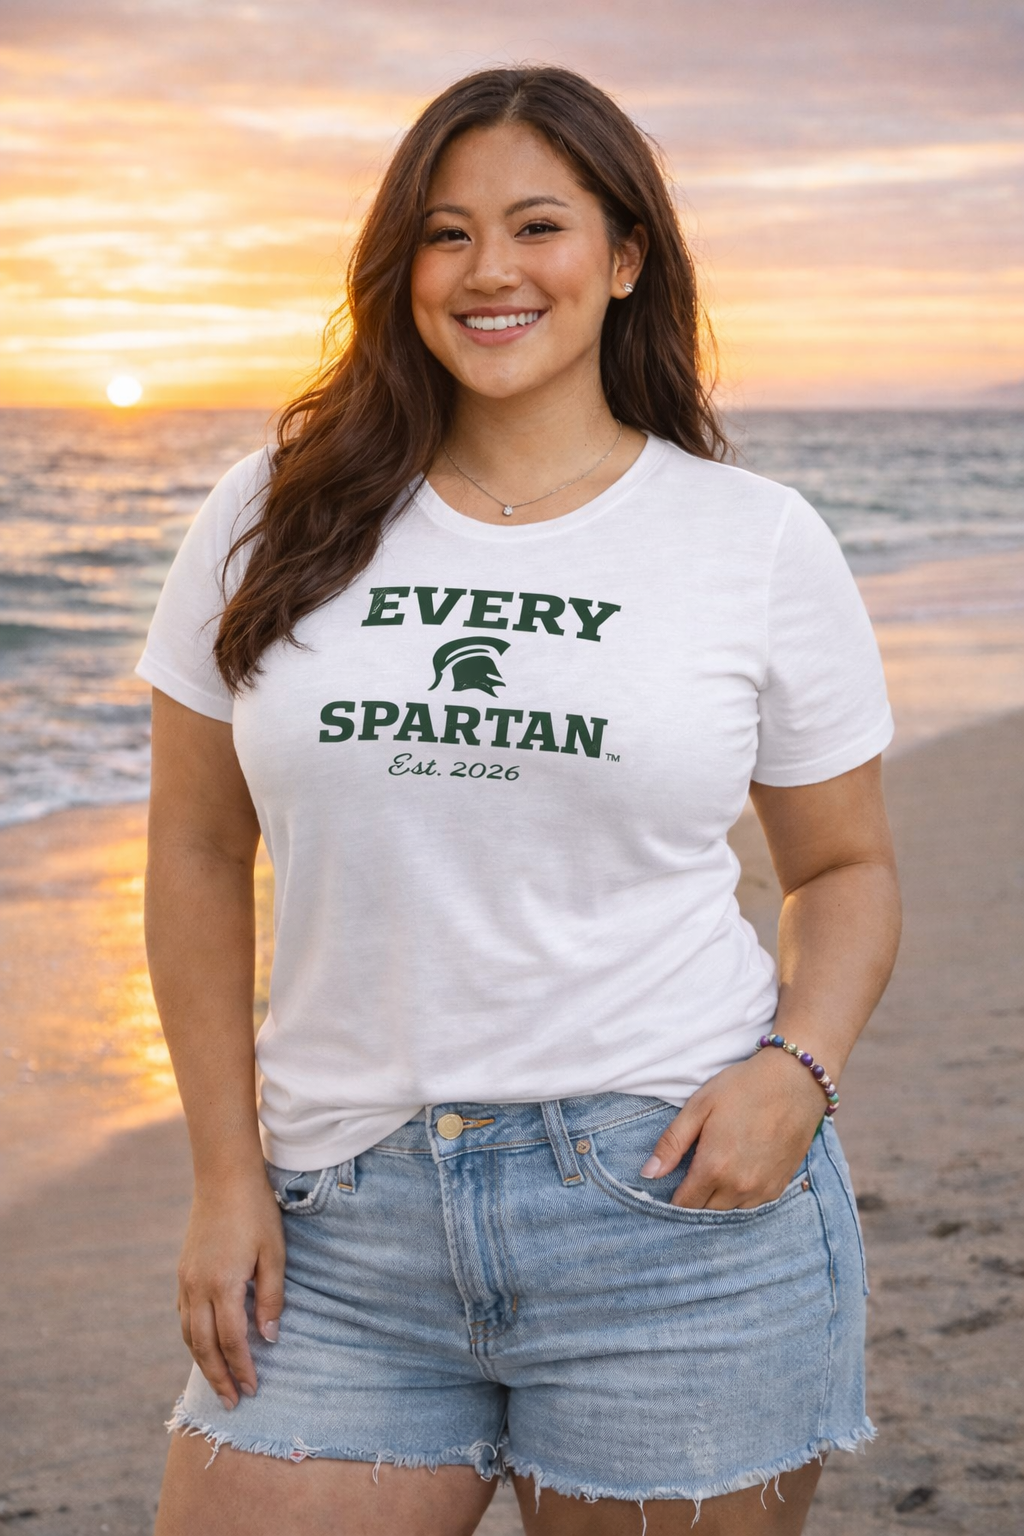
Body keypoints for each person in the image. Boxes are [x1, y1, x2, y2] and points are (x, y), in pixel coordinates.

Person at [138, 65, 901, 1536]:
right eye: (443, 233)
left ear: (624, 260)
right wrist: (224, 1174)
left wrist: (795, 1076)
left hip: (672, 1207)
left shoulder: (749, 540)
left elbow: (846, 870)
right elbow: (193, 847)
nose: (490, 271)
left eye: (538, 226)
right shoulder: (269, 510)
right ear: (397, 270)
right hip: (335, 1222)